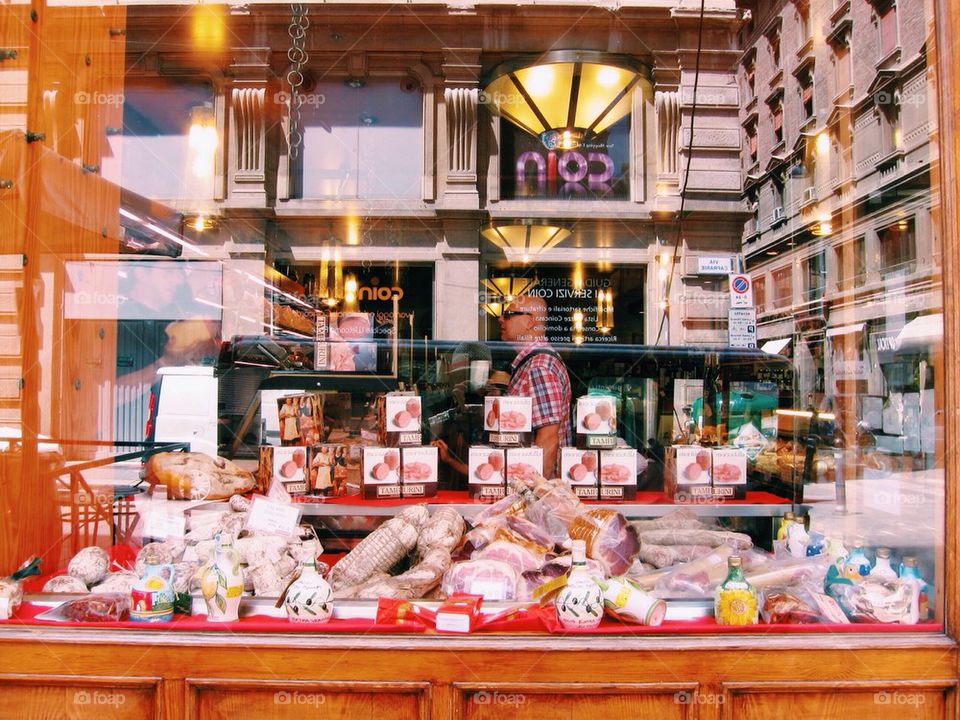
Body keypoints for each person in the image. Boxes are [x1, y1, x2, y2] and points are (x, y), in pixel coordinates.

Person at [498, 293, 572, 478]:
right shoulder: (535, 363)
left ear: (529, 321)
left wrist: (536, 491)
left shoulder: (539, 366)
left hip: (535, 488)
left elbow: (548, 440)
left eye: (507, 315)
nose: (500, 319)